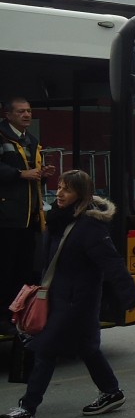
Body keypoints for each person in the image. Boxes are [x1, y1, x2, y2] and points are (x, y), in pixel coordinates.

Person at [0, 170, 135, 418]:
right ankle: (111, 392)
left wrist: (129, 296)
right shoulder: (58, 220)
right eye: (60, 187)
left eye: (68, 189)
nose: (60, 193)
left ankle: (27, 410)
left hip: (78, 301)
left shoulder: (90, 226)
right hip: (58, 296)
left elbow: (111, 263)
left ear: (82, 195)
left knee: (46, 351)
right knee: (88, 348)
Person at [0, 96, 56, 334]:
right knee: (5, 269)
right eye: (21, 111)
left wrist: (43, 174)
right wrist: (20, 174)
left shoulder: (31, 140)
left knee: (24, 270)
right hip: (7, 218)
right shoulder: (2, 137)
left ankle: (18, 314)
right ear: (8, 115)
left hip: (30, 219)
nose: (26, 115)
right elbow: (13, 173)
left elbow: (31, 175)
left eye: (29, 111)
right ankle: (3, 316)